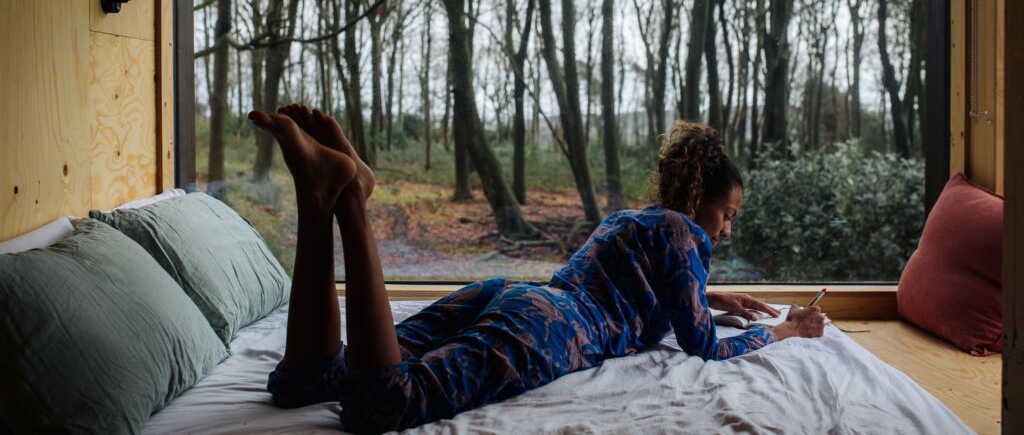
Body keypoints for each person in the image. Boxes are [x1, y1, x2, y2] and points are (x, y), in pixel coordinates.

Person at [248, 105, 827, 434]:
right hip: (555, 328)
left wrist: (713, 296)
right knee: (385, 401)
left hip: (514, 295)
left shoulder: (631, 221)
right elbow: (702, 346)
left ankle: (323, 194)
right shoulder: (686, 235)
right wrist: (785, 329)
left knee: (315, 380)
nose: (725, 230)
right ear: (700, 200)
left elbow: (643, 286)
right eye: (727, 215)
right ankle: (349, 200)